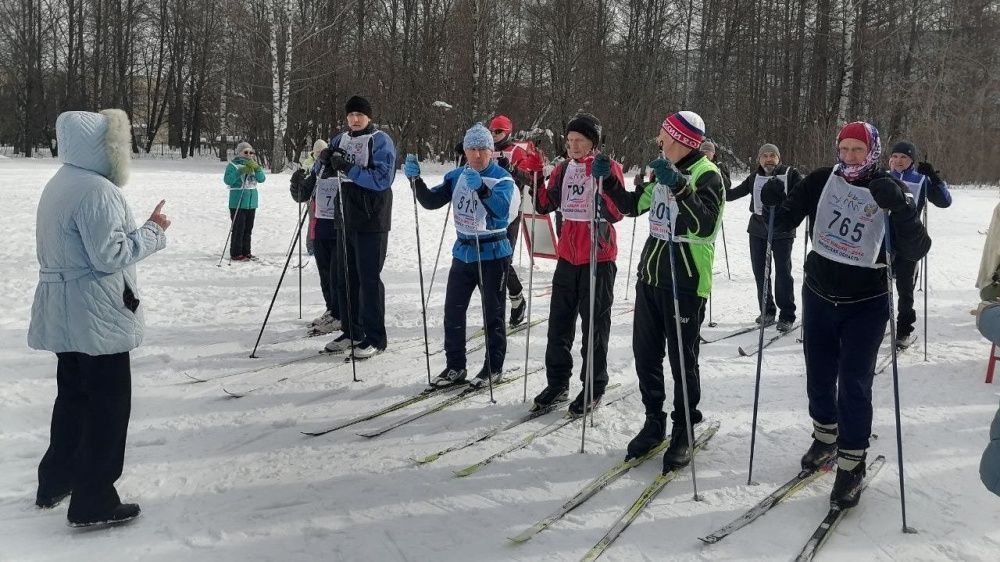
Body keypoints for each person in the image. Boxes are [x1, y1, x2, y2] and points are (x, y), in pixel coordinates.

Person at [759, 121, 930, 508]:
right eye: (845, 148)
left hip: (865, 303)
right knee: (819, 373)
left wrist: (900, 208)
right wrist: (771, 202)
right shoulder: (822, 180)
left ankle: (852, 464)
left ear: (872, 151)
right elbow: (783, 222)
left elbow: (917, 248)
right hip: (819, 292)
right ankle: (825, 437)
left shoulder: (889, 188)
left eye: (858, 149)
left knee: (853, 384)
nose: (851, 157)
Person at [28, 109, 170, 527]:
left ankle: (56, 480)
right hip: (96, 314)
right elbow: (110, 256)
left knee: (72, 399)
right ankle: (93, 499)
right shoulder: (97, 191)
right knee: (108, 406)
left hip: (64, 312)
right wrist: (153, 230)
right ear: (103, 146)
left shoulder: (60, 183)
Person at [605, 111, 725, 471]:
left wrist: (680, 186)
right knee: (646, 354)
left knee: (682, 360)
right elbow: (631, 206)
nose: (659, 141)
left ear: (682, 140)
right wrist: (609, 183)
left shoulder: (709, 175)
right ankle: (654, 421)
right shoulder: (660, 168)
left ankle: (684, 428)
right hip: (652, 276)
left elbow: (703, 226)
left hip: (685, 281)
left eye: (664, 136)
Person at [405, 123, 519, 388]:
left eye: (482, 149)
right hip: (463, 252)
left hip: (492, 253)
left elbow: (502, 213)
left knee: (493, 313)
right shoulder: (456, 176)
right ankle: (455, 366)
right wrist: (416, 181)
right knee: (453, 312)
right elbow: (431, 201)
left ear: (491, 151)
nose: (477, 155)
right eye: (472, 149)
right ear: (465, 151)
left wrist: (482, 189)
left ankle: (493, 367)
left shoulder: (503, 179)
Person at [530, 113, 624, 415]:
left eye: (579, 141)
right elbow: (546, 203)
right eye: (569, 141)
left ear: (592, 143)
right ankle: (558, 382)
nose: (573, 146)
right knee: (559, 324)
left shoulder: (608, 168)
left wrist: (604, 181)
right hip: (568, 257)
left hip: (599, 257)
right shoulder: (562, 169)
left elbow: (617, 212)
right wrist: (533, 178)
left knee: (594, 327)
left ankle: (594, 385)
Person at [320, 96, 396, 359]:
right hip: (345, 214)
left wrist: (349, 168)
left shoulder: (380, 140)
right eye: (351, 115)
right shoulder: (340, 139)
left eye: (359, 115)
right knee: (344, 276)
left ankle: (375, 337)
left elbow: (382, 179)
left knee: (368, 278)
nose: (355, 119)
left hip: (372, 216)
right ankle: (352, 331)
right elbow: (325, 169)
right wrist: (325, 162)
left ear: (369, 117)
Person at [726, 143, 804, 331]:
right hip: (758, 229)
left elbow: (803, 194)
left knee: (783, 273)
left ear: (779, 158)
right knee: (760, 271)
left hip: (782, 230)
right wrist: (719, 181)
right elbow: (731, 195)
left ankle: (787, 314)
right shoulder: (755, 177)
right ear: (759, 159)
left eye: (772, 156)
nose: (769, 159)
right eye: (765, 156)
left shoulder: (790, 174)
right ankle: (767, 310)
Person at [887, 140, 952, 348]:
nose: (898, 161)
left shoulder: (921, 180)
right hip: (883, 239)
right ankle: (874, 324)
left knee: (905, 289)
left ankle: (904, 329)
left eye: (904, 157)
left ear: (911, 160)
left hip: (909, 241)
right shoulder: (884, 177)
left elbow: (944, 202)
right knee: (877, 285)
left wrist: (934, 177)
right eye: (895, 156)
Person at [489, 115, 545, 327]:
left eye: (499, 132)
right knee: (488, 262)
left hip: (511, 212)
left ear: (508, 132)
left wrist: (513, 169)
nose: (494, 136)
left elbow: (532, 178)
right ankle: (495, 308)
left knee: (503, 260)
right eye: (492, 132)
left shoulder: (517, 151)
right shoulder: (486, 148)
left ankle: (517, 300)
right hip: (487, 212)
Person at [290, 139, 342, 335]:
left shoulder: (342, 170)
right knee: (325, 273)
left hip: (340, 228)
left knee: (339, 274)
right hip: (320, 226)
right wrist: (296, 183)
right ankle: (332, 310)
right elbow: (302, 195)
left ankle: (342, 313)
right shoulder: (317, 170)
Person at [223, 141, 266, 261]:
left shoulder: (253, 164)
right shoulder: (233, 165)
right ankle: (236, 253)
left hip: (251, 202)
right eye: (246, 152)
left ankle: (246, 251)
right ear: (240, 153)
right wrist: (240, 172)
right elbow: (228, 180)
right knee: (239, 228)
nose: (249, 154)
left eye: (251, 152)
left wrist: (257, 169)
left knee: (248, 228)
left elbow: (262, 179)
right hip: (238, 202)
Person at [302, 139, 328, 257]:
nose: (320, 154)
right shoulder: (309, 162)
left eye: (322, 151)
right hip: (312, 197)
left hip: (325, 195)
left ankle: (323, 244)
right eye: (318, 152)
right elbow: (307, 177)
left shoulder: (327, 160)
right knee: (313, 221)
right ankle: (311, 245)